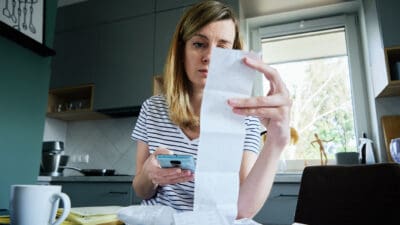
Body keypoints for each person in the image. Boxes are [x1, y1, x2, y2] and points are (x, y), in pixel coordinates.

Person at [131, 0, 291, 219]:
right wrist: (150, 174)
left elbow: (241, 211)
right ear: (181, 50)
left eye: (223, 47)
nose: (210, 57)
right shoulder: (152, 108)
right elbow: (140, 189)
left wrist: (276, 142)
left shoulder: (247, 118)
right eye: (199, 44)